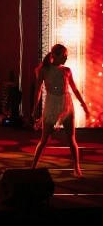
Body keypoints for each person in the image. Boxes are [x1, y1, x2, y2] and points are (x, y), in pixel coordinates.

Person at [31, 44, 89, 176]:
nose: (66, 58)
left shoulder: (67, 70)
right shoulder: (44, 70)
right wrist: (35, 108)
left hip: (66, 105)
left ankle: (76, 167)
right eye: (64, 56)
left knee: (71, 138)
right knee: (44, 139)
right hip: (51, 104)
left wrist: (83, 105)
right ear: (55, 56)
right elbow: (38, 90)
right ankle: (33, 166)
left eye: (66, 56)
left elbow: (74, 89)